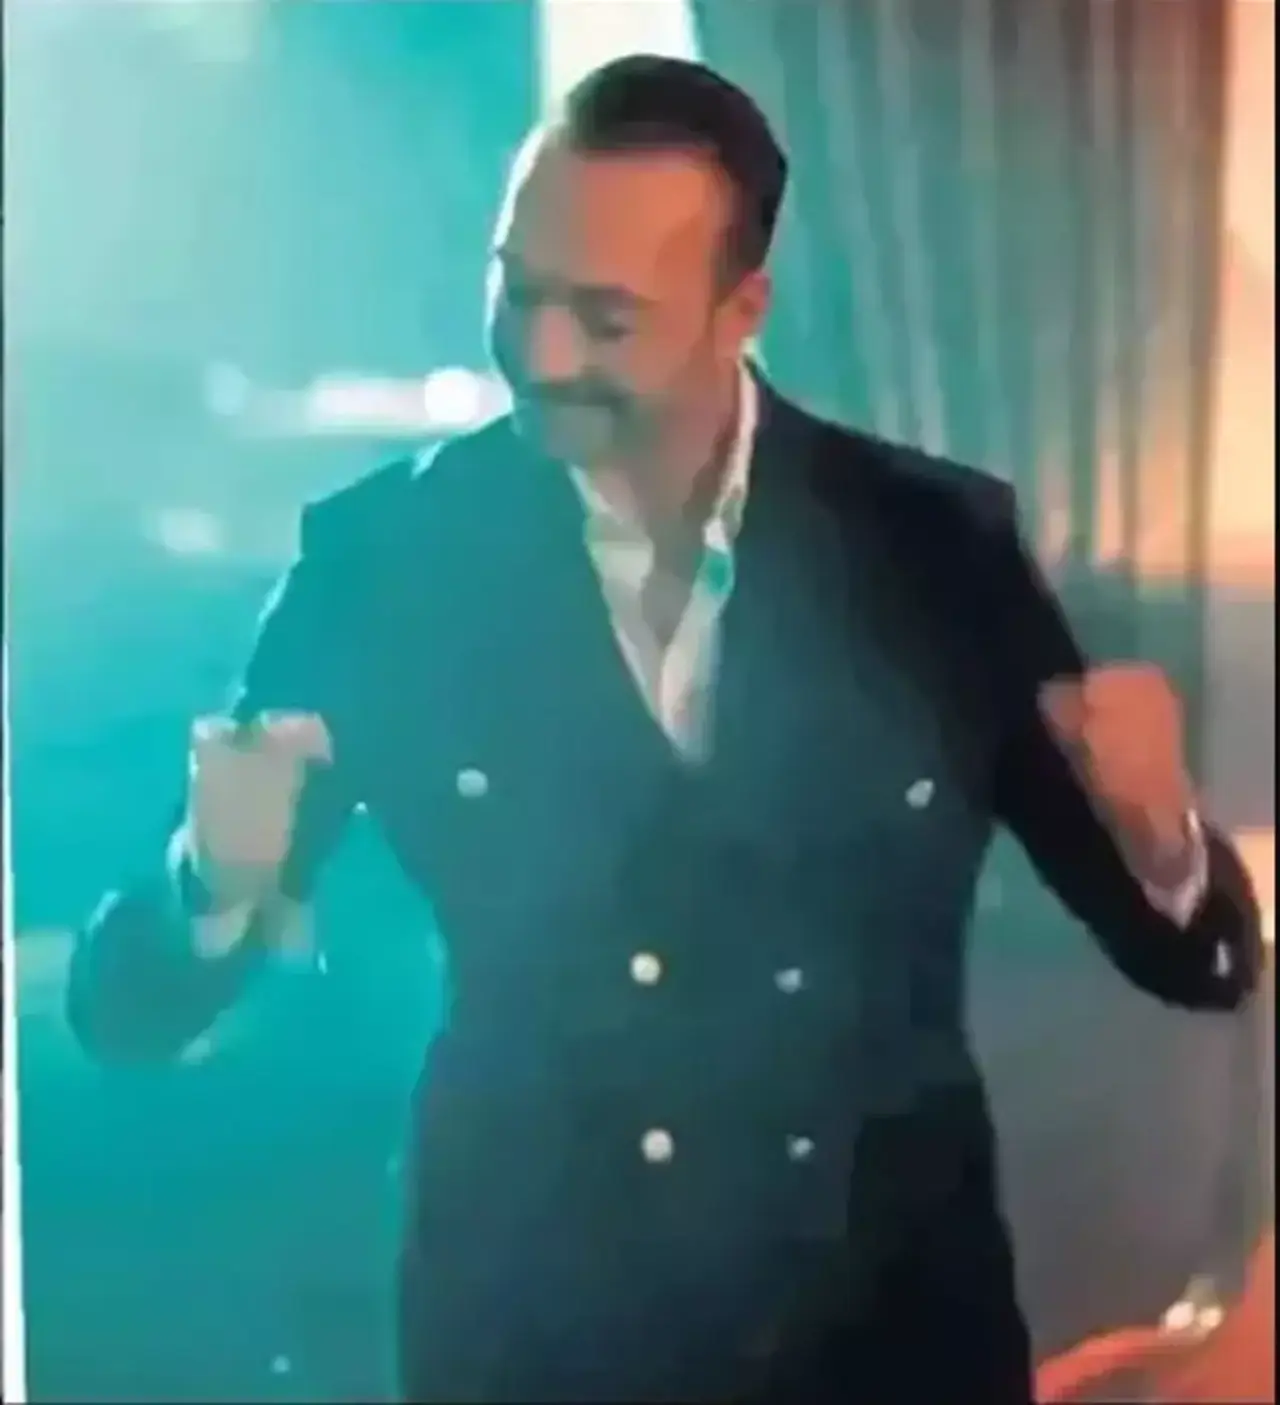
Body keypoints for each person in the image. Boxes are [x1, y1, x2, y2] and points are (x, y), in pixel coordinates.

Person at [67, 55, 1263, 1404]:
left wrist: (1160, 839)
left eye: (606, 318)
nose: (541, 355)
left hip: (885, 1331)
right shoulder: (385, 561)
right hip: (535, 1335)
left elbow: (1201, 965)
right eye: (517, 292)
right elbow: (127, 1009)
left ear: (743, 309)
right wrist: (212, 885)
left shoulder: (933, 545)